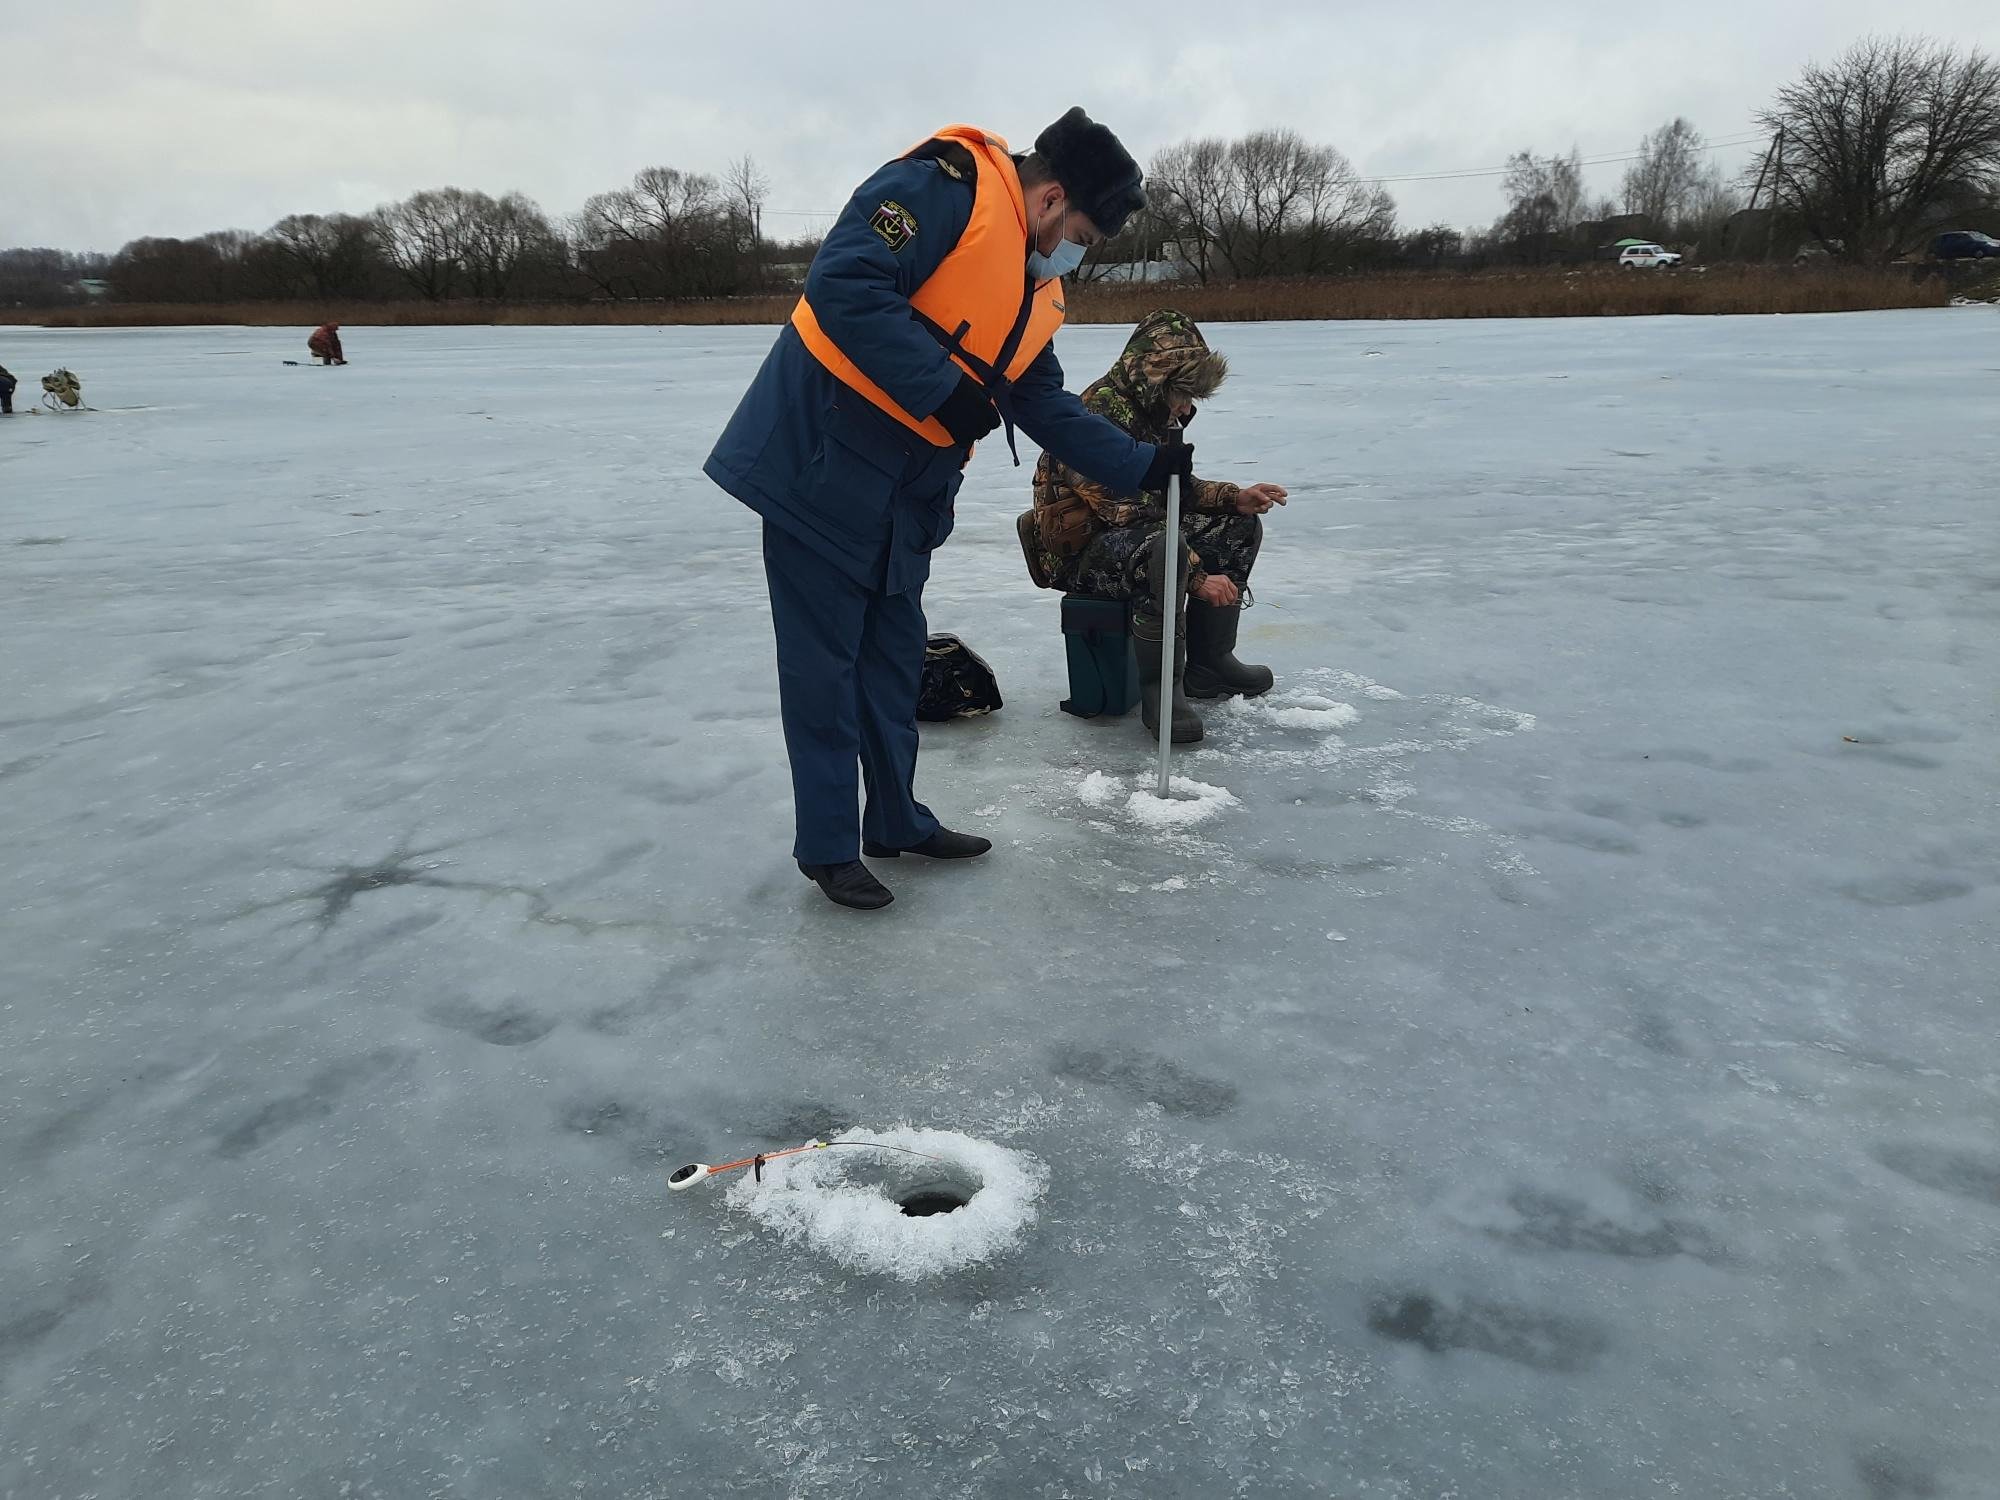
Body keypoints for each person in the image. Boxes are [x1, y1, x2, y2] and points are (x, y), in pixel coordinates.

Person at [706, 108, 1191, 911]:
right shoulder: (943, 191)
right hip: (817, 469)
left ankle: (895, 819)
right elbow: (842, 283)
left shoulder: (1037, 288)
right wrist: (947, 394)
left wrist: (1147, 464)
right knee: (824, 670)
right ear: (1051, 197)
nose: (1080, 251)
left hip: (903, 497)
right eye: (1082, 232)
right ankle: (828, 848)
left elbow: (1044, 405)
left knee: (893, 663)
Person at [1026, 310, 1289, 744]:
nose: (1187, 408)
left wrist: (1233, 498)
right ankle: (1161, 689)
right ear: (1155, 380)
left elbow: (1171, 490)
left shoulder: (1157, 415)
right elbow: (1126, 511)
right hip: (1080, 550)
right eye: (1182, 395)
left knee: (1237, 527)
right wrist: (1199, 577)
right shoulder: (1097, 413)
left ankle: (1209, 663)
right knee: (1160, 551)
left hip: (1136, 533)